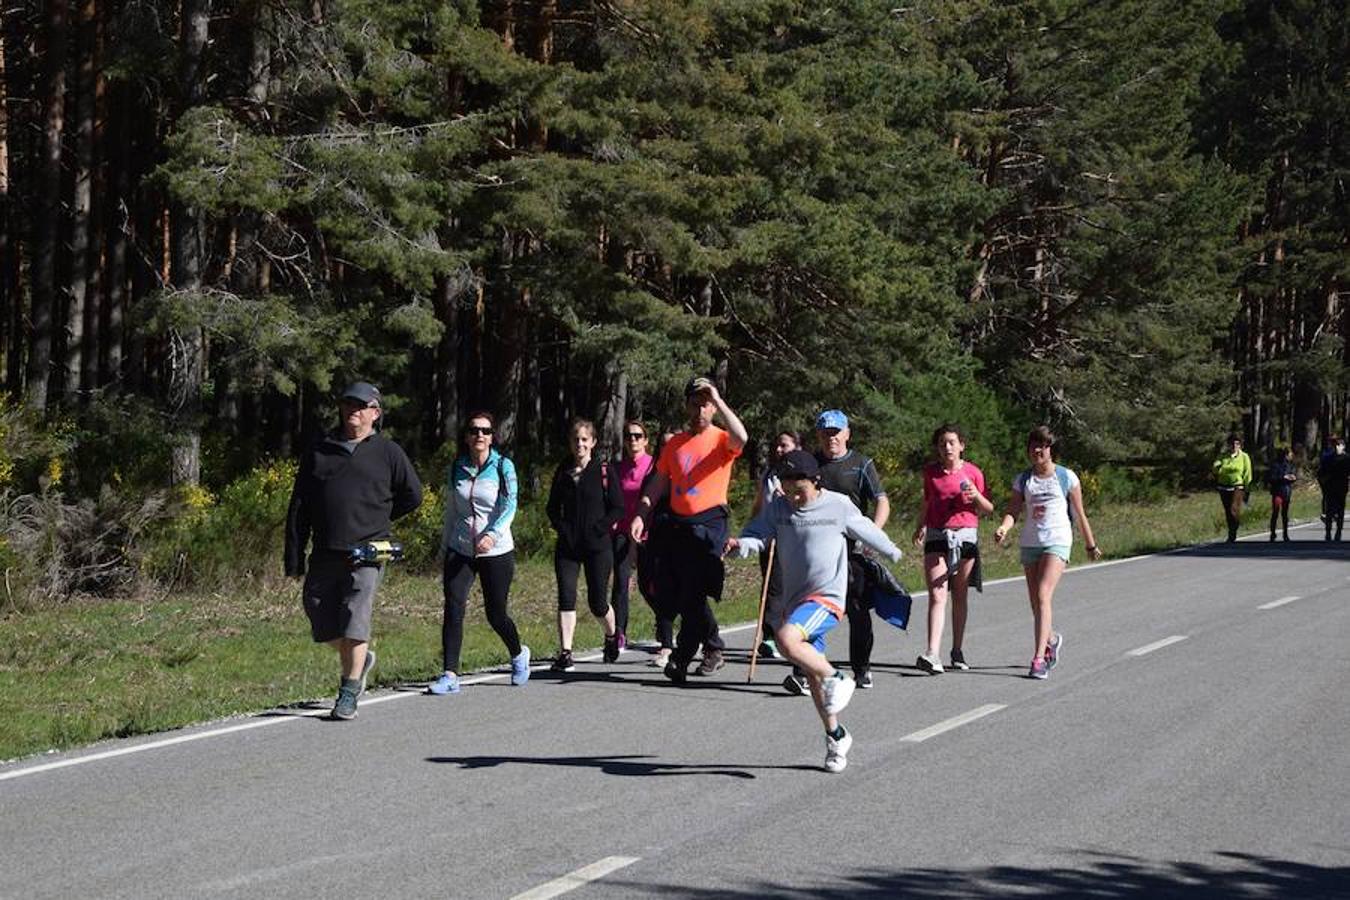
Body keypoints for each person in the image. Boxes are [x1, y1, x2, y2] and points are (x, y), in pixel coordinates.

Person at [726, 450, 903, 773]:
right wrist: (741, 547)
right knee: (813, 675)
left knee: (786, 640)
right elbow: (757, 535)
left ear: (816, 481)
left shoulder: (837, 505)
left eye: (799, 488)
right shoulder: (779, 508)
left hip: (827, 599)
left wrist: (891, 550)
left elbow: (864, 528)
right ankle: (836, 736)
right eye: (787, 487)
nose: (793, 495)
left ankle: (840, 677)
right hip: (797, 602)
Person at [284, 382, 423, 720]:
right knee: (318, 612)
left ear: (376, 413)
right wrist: (294, 554)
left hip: (368, 552)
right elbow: (299, 505)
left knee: (355, 616)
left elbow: (413, 494)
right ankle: (361, 659)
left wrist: (380, 516)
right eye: (347, 404)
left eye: (360, 406)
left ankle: (348, 693)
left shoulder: (388, 451)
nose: (352, 411)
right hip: (325, 550)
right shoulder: (321, 450)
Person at [631, 376, 748, 683]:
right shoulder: (675, 444)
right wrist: (642, 512)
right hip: (679, 526)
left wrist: (719, 400)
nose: (700, 410)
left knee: (694, 592)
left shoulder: (722, 440)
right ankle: (712, 646)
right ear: (686, 406)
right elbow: (658, 484)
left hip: (710, 524)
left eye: (705, 404)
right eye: (695, 404)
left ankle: (683, 659)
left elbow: (743, 437)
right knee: (680, 593)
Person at [429, 411, 531, 695]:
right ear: (466, 436)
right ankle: (449, 674)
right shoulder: (458, 467)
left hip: (496, 550)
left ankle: (518, 653)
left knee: (495, 614)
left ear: (492, 436)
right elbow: (452, 510)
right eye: (474, 430)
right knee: (453, 605)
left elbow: (510, 506)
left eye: (485, 431)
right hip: (460, 548)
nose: (480, 436)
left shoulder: (503, 466)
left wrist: (492, 534)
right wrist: (443, 547)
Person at [994, 426, 1102, 680]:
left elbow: (1078, 512)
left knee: (1043, 595)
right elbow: (1013, 510)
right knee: (1036, 603)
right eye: (1032, 446)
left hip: (1058, 540)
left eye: (1041, 446)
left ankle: (1039, 658)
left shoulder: (1066, 477)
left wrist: (1090, 544)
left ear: (1051, 449)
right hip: (1031, 541)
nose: (1036, 451)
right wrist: (1004, 528)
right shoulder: (1023, 479)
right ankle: (1051, 638)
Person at [805, 409, 890, 691]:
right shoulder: (811, 464)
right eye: (826, 433)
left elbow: (881, 500)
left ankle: (862, 668)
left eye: (836, 432)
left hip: (852, 547)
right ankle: (806, 669)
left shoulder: (861, 464)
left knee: (856, 609)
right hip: (816, 548)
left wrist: (872, 534)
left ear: (847, 434)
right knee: (811, 607)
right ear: (818, 435)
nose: (832, 438)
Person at [909, 423, 994, 673]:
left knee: (959, 595)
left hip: (965, 536)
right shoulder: (930, 473)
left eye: (952, 442)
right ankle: (932, 653)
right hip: (937, 535)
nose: (947, 447)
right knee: (937, 594)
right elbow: (927, 502)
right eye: (942, 443)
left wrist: (975, 494)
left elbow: (988, 508)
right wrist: (920, 526)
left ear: (961, 446)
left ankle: (957, 650)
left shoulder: (973, 472)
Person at [546, 418, 624, 672]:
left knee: (597, 602)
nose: (579, 444)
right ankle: (566, 653)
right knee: (566, 597)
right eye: (575, 439)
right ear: (570, 443)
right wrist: (563, 529)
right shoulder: (563, 470)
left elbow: (618, 508)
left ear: (593, 442)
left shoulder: (603, 470)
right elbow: (551, 508)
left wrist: (599, 529)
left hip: (598, 547)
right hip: (568, 547)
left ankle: (612, 636)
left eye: (584, 439)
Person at [750, 429, 802, 660]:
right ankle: (770, 637)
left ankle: (790, 634)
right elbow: (760, 504)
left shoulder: (804, 474)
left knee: (789, 590)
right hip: (770, 539)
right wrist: (753, 528)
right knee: (772, 587)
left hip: (795, 540)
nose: (779, 450)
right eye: (777, 446)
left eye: (784, 445)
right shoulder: (770, 474)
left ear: (797, 447)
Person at [611, 419, 656, 658]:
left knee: (650, 586)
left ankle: (665, 627)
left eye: (638, 436)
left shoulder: (653, 466)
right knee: (620, 583)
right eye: (629, 436)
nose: (633, 440)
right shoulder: (617, 469)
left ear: (646, 440)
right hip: (621, 532)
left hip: (648, 534)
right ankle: (619, 632)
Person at [1211, 433, 1252, 543]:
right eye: (1232, 443)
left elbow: (1247, 473)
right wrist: (1218, 468)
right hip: (1224, 487)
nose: (1234, 446)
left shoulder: (1244, 457)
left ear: (1240, 445)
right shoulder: (1223, 456)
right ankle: (1231, 530)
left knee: (1234, 510)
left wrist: (1247, 487)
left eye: (1237, 443)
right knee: (1228, 511)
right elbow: (1215, 467)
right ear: (1228, 445)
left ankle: (1233, 530)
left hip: (1237, 486)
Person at [1319, 435, 1348, 541]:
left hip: (1342, 487)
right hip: (1330, 487)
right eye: (1336, 445)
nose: (1337, 447)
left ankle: (1338, 532)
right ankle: (1328, 532)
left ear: (1343, 446)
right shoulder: (1328, 459)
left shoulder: (1347, 459)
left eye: (1339, 445)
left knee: (1340, 511)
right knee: (1329, 511)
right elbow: (1321, 472)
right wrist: (1323, 481)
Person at [1265, 446, 1297, 542]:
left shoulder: (1290, 465)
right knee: (1275, 512)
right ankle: (1273, 533)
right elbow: (1271, 478)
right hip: (1277, 491)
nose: (1291, 456)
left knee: (1285, 514)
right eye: (1289, 454)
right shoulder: (1275, 465)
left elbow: (1293, 475)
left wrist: (1292, 478)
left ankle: (1285, 534)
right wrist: (1283, 477)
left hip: (1287, 491)